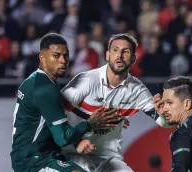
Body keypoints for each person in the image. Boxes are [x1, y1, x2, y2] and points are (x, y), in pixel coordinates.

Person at [10, 33, 122, 172]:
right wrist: (90, 123)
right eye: (56, 56)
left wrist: (76, 143)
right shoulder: (45, 89)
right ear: (42, 58)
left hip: (33, 156)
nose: (63, 60)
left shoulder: (36, 81)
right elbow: (62, 138)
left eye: (66, 55)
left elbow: (51, 124)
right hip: (34, 161)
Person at [61, 33, 170, 172]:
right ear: (107, 55)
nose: (119, 55)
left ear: (133, 59)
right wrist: (76, 143)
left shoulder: (137, 90)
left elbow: (163, 122)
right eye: (115, 50)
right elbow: (54, 113)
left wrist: (163, 113)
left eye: (126, 51)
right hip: (72, 153)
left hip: (107, 158)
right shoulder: (86, 81)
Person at [158, 76, 192, 172]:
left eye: (169, 103)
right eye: (163, 103)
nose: (164, 108)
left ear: (187, 104)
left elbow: (180, 168)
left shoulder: (182, 132)